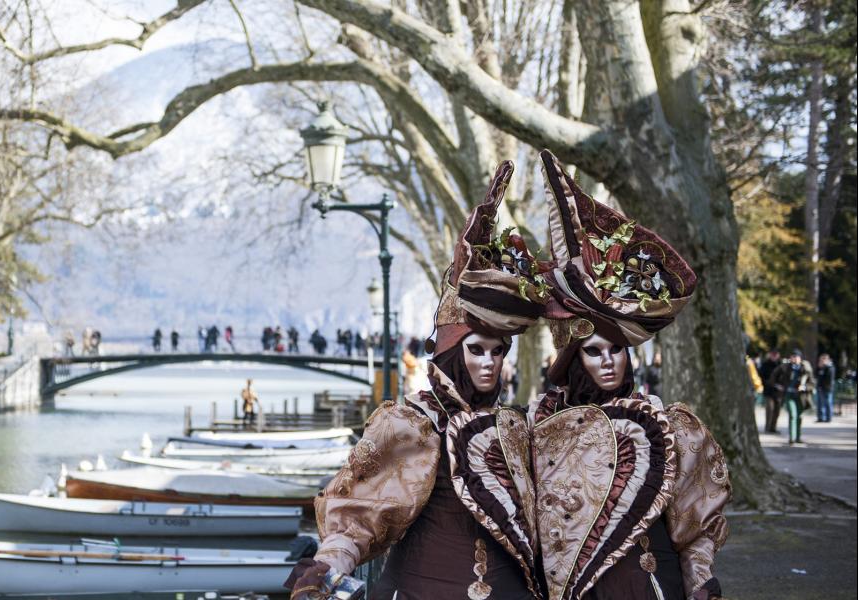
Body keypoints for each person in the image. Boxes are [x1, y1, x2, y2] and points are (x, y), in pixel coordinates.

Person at [288, 160, 551, 598]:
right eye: (476, 350)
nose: (489, 362)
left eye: (498, 351)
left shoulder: (516, 427)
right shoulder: (416, 423)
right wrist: (328, 564)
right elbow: (361, 513)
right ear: (450, 352)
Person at [532, 150, 730, 600]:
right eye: (594, 352)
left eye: (616, 350)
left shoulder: (668, 426)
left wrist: (701, 580)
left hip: (649, 585)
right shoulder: (540, 427)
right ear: (573, 361)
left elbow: (693, 524)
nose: (607, 361)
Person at [770, 349, 813, 444]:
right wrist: (778, 386)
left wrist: (804, 387)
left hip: (801, 396)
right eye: (792, 357)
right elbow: (773, 377)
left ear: (800, 358)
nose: (794, 359)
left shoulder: (805, 369)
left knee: (799, 416)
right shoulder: (785, 367)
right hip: (789, 395)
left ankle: (798, 437)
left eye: (796, 357)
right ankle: (792, 438)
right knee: (793, 415)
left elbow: (812, 383)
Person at [759, 349, 782, 433]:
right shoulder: (765, 365)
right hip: (769, 390)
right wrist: (770, 384)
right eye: (773, 354)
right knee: (770, 409)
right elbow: (761, 377)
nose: (774, 356)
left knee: (777, 410)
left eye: (776, 354)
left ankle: (773, 427)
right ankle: (768, 427)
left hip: (778, 392)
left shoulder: (781, 365)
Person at [816, 353, 836, 422]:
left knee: (828, 403)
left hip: (827, 389)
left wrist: (824, 367)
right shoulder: (821, 368)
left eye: (822, 360)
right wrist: (819, 367)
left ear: (826, 359)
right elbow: (817, 376)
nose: (821, 361)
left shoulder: (830, 367)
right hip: (820, 388)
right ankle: (821, 417)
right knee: (820, 404)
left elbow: (829, 379)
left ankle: (828, 418)